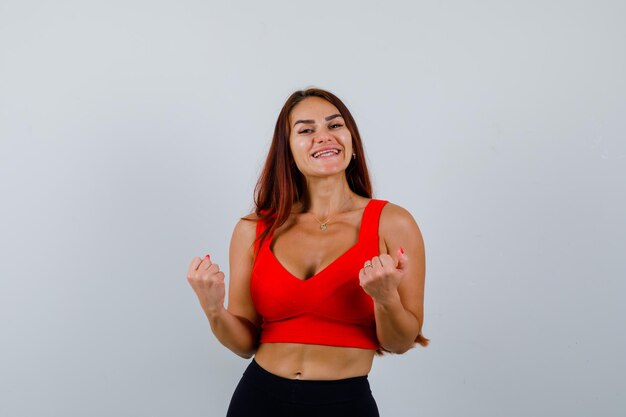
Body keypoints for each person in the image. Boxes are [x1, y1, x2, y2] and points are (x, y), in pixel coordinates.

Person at [186, 87, 429, 417]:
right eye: (306, 130)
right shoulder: (253, 228)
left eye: (334, 125)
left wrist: (385, 298)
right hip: (258, 398)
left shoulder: (393, 223)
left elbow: (400, 342)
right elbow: (245, 344)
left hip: (344, 404)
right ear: (287, 150)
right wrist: (214, 310)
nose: (323, 137)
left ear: (352, 140)